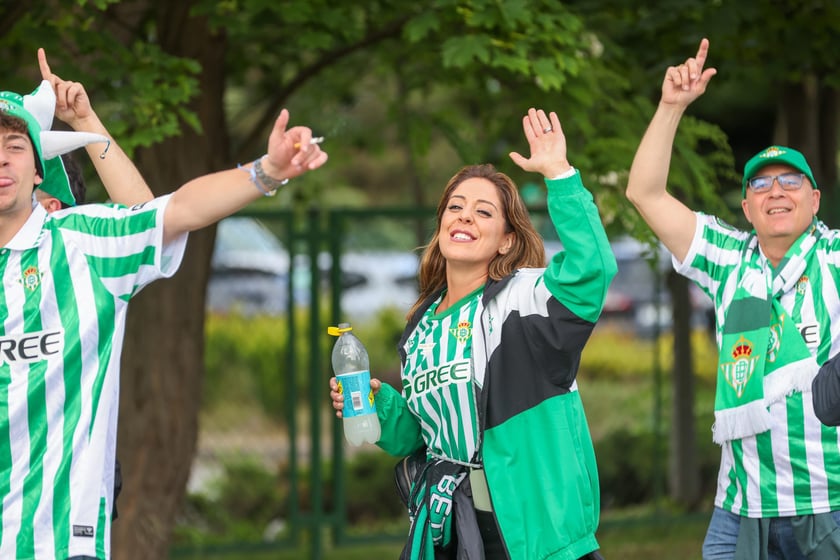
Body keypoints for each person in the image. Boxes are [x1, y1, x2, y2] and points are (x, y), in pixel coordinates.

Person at [0, 50, 327, 560]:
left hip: (58, 543)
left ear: (40, 172)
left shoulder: (81, 244)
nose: (2, 159)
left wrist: (267, 171)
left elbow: (176, 209)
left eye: (15, 146)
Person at [330, 108, 617, 559]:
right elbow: (424, 436)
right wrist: (379, 406)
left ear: (506, 239)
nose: (464, 217)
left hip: (535, 537)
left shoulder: (525, 299)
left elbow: (593, 271)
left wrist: (559, 174)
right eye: (455, 208)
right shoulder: (420, 327)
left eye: (484, 212)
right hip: (454, 532)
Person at [625, 38, 840, 559]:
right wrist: (671, 106)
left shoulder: (835, 256)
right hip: (740, 509)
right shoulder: (728, 257)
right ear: (746, 208)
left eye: (791, 181)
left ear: (815, 199)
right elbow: (645, 193)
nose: (776, 191)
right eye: (761, 186)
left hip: (830, 503)